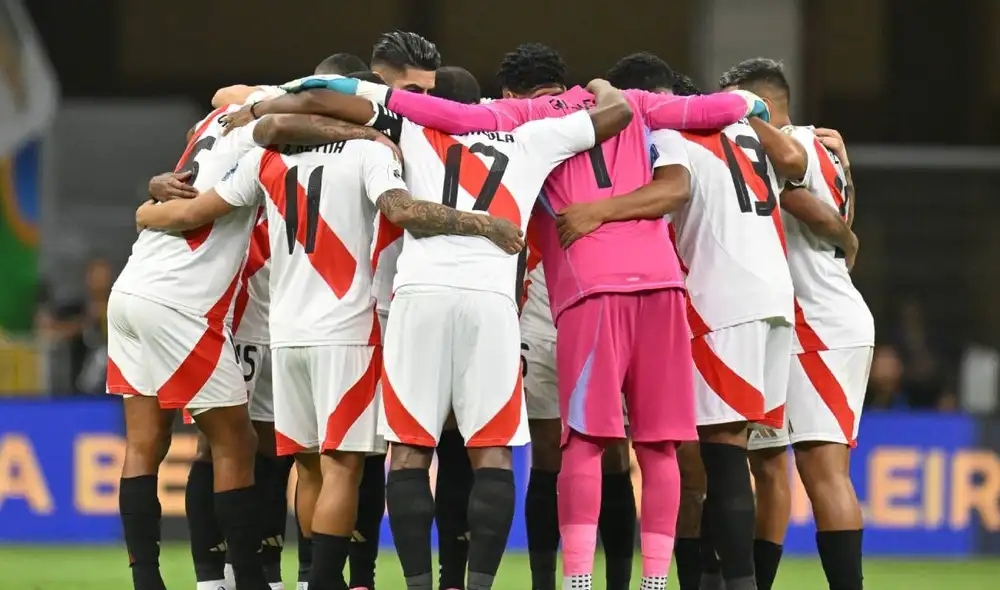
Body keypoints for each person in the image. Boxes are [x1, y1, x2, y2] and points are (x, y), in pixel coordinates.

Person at [288, 43, 772, 590]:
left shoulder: (487, 118)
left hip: (478, 292)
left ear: (509, 92)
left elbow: (428, 117)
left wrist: (331, 91)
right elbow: (700, 113)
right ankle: (642, 581)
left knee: (426, 451)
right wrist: (751, 106)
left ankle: (536, 581)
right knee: (637, 446)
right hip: (609, 288)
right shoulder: (567, 125)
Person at [222, 65, 635, 590]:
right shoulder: (532, 136)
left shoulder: (411, 125)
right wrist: (595, 85)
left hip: (419, 294)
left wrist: (260, 106)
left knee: (411, 451)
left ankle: (417, 583)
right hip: (490, 297)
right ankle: (477, 584)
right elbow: (617, 114)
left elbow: (312, 106)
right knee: (491, 450)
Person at [137, 81, 521, 590]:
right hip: (346, 330)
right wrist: (484, 224)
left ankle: (299, 580)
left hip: (285, 332)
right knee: (343, 469)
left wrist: (145, 205)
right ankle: (319, 582)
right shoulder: (369, 151)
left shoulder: (266, 161)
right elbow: (400, 209)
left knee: (309, 469)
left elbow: (194, 200)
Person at [583, 52, 798, 590]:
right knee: (721, 454)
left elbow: (672, 190)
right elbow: (794, 162)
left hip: (723, 301)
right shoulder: (741, 130)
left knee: (721, 457)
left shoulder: (666, 127)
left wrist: (599, 211)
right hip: (774, 297)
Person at [724, 58, 872, 590]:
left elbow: (819, 215)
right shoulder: (829, 150)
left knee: (822, 470)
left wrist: (848, 240)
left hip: (822, 327)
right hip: (790, 326)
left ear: (758, 103)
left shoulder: (796, 144)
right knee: (767, 466)